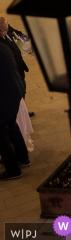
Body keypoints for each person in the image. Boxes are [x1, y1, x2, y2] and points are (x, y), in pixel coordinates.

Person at [0, 43, 30, 180]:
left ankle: (13, 170)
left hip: (5, 95)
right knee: (11, 124)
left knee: (1, 131)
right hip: (15, 89)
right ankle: (23, 158)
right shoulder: (3, 45)